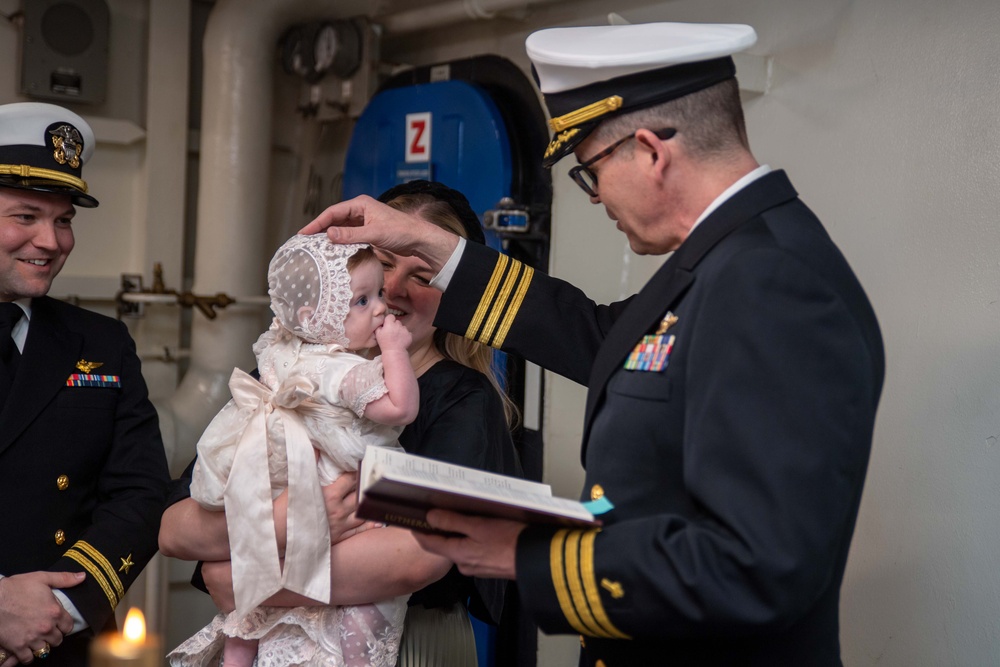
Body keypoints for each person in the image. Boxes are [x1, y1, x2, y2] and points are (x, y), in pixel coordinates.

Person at [300, 21, 885, 667]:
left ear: (650, 151)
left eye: (590, 170)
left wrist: (524, 550)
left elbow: (758, 566)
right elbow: (597, 335)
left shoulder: (772, 282)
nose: (597, 195)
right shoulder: (730, 259)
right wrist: (434, 248)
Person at [159, 181, 522, 667]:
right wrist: (292, 519)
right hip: (280, 642)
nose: (392, 292)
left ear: (453, 291)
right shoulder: (287, 378)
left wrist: (248, 578)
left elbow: (417, 556)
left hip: (406, 643)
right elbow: (176, 529)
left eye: (423, 274)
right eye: (385, 264)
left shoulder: (461, 399)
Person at [168, 236, 419, 667]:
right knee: (362, 617)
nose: (382, 306)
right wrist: (395, 351)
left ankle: (237, 655)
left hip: (275, 485)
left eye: (377, 295)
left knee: (250, 610)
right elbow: (401, 408)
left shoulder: (278, 349)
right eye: (362, 300)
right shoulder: (345, 370)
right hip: (332, 491)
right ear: (313, 316)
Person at [0, 103, 170, 666]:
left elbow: (141, 495)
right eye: (26, 216)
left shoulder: (101, 343)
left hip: (65, 644)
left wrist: (58, 611)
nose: (51, 241)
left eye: (64, 219)